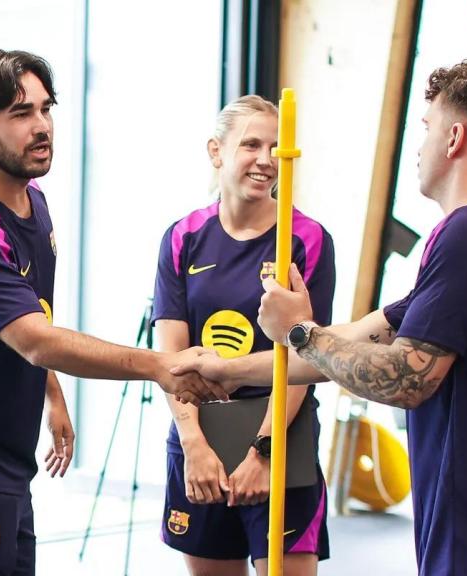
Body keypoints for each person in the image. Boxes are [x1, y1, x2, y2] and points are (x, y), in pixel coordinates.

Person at [174, 57, 467, 575]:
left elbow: (404, 378)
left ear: (454, 139)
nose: (420, 146)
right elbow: (356, 341)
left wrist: (299, 330)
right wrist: (225, 370)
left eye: (427, 129)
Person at [0, 49, 225, 575]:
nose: (43, 126)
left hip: (4, 452)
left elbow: (26, 315)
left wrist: (50, 392)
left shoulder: (31, 199)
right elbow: (36, 339)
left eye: (47, 109)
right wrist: (160, 365)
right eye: (22, 115)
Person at [153, 95, 335, 575]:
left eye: (276, 148)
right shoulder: (182, 237)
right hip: (201, 437)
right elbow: (170, 357)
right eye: (251, 144)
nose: (265, 159)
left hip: (281, 435)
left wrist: (264, 451)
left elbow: (308, 359)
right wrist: (193, 444)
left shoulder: (307, 239)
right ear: (217, 151)